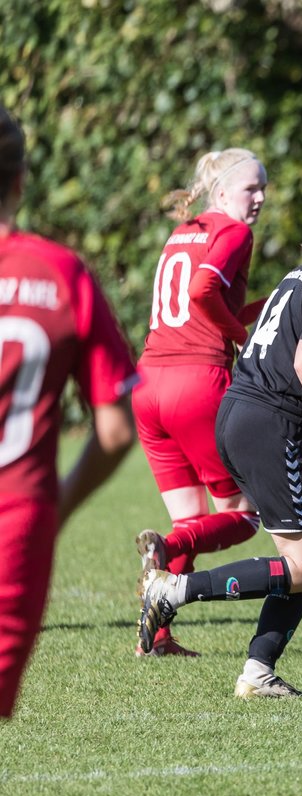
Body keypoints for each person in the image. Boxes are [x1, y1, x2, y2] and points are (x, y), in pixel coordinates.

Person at [137, 186, 302, 698]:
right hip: (270, 423)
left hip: (239, 413)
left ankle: (259, 671)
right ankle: (174, 589)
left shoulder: (301, 274)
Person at [0, 106, 137, 718]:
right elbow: (113, 430)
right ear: (21, 179)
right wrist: (57, 506)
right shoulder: (60, 273)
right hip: (16, 525)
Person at [131, 148, 269, 657]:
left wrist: (268, 305)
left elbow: (199, 298)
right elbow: (204, 289)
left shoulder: (184, 231)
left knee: (190, 518)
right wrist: (240, 337)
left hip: (148, 385)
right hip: (196, 382)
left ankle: (158, 637)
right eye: (250, 187)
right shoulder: (233, 232)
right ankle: (167, 550)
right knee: (243, 515)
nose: (258, 198)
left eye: (263, 189)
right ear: (221, 192)